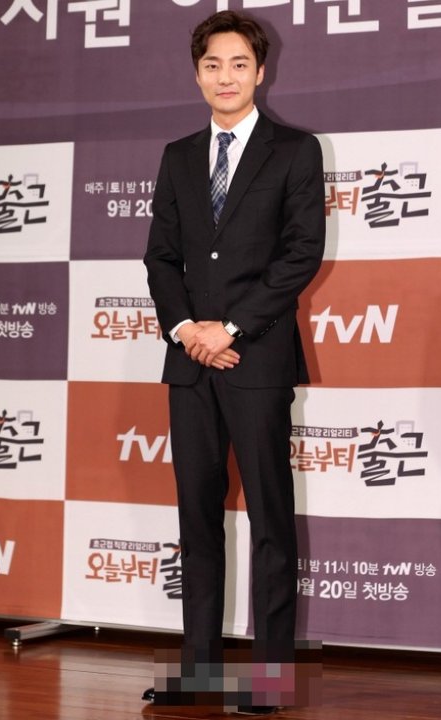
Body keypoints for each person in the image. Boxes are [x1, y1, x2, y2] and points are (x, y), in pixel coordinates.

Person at [143, 9, 325, 714]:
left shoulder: (295, 151)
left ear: (260, 71)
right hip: (190, 363)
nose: (226, 77)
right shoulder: (178, 155)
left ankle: (271, 678)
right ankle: (198, 672)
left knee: (272, 521)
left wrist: (233, 328)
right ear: (197, 74)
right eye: (213, 65)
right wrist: (187, 329)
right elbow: (162, 258)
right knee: (197, 522)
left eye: (239, 64)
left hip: (256, 358)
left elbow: (301, 254)